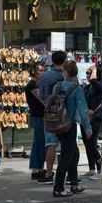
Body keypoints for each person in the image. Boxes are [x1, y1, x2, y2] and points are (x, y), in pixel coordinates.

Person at [52, 60, 92, 197]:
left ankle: (74, 183)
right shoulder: (77, 88)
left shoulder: (57, 86)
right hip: (69, 125)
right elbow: (83, 110)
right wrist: (87, 128)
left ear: (65, 72)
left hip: (57, 124)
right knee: (67, 156)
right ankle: (58, 188)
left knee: (73, 153)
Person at [38, 50, 66, 185]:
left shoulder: (46, 76)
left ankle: (49, 173)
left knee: (50, 144)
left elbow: (41, 96)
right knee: (69, 145)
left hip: (50, 114)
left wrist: (48, 106)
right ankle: (69, 174)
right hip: (66, 114)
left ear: (52, 61)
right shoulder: (68, 75)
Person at [81, 65, 102, 179]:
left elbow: (96, 84)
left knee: (92, 143)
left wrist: (94, 72)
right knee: (86, 143)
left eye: (90, 73)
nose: (87, 75)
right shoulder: (86, 87)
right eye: (87, 73)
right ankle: (92, 168)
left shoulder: (100, 85)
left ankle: (101, 168)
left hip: (95, 117)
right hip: (85, 117)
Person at [25, 62, 46, 180]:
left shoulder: (37, 84)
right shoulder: (32, 85)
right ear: (34, 71)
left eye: (43, 70)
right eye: (40, 70)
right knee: (41, 143)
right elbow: (42, 99)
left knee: (38, 142)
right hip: (37, 117)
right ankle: (37, 168)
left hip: (39, 116)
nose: (42, 73)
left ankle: (37, 168)